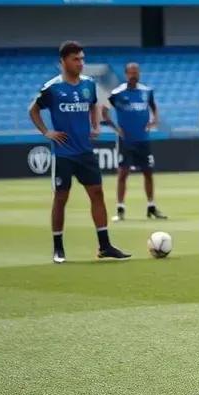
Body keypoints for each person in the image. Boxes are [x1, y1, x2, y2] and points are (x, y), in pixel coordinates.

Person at [28, 40, 130, 263]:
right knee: (61, 198)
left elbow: (93, 104)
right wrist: (46, 132)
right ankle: (58, 247)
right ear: (63, 61)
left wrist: (95, 125)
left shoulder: (88, 85)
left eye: (82, 59)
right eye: (76, 59)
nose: (80, 63)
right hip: (63, 154)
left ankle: (105, 246)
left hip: (85, 152)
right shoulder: (52, 88)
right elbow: (33, 110)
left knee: (97, 194)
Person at [104, 62, 168, 222]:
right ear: (126, 74)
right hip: (126, 141)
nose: (134, 75)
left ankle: (151, 207)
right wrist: (116, 128)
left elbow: (153, 106)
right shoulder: (118, 93)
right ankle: (120, 209)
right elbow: (104, 111)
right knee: (122, 174)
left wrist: (155, 120)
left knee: (148, 173)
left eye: (136, 72)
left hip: (143, 140)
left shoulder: (146, 91)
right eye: (131, 73)